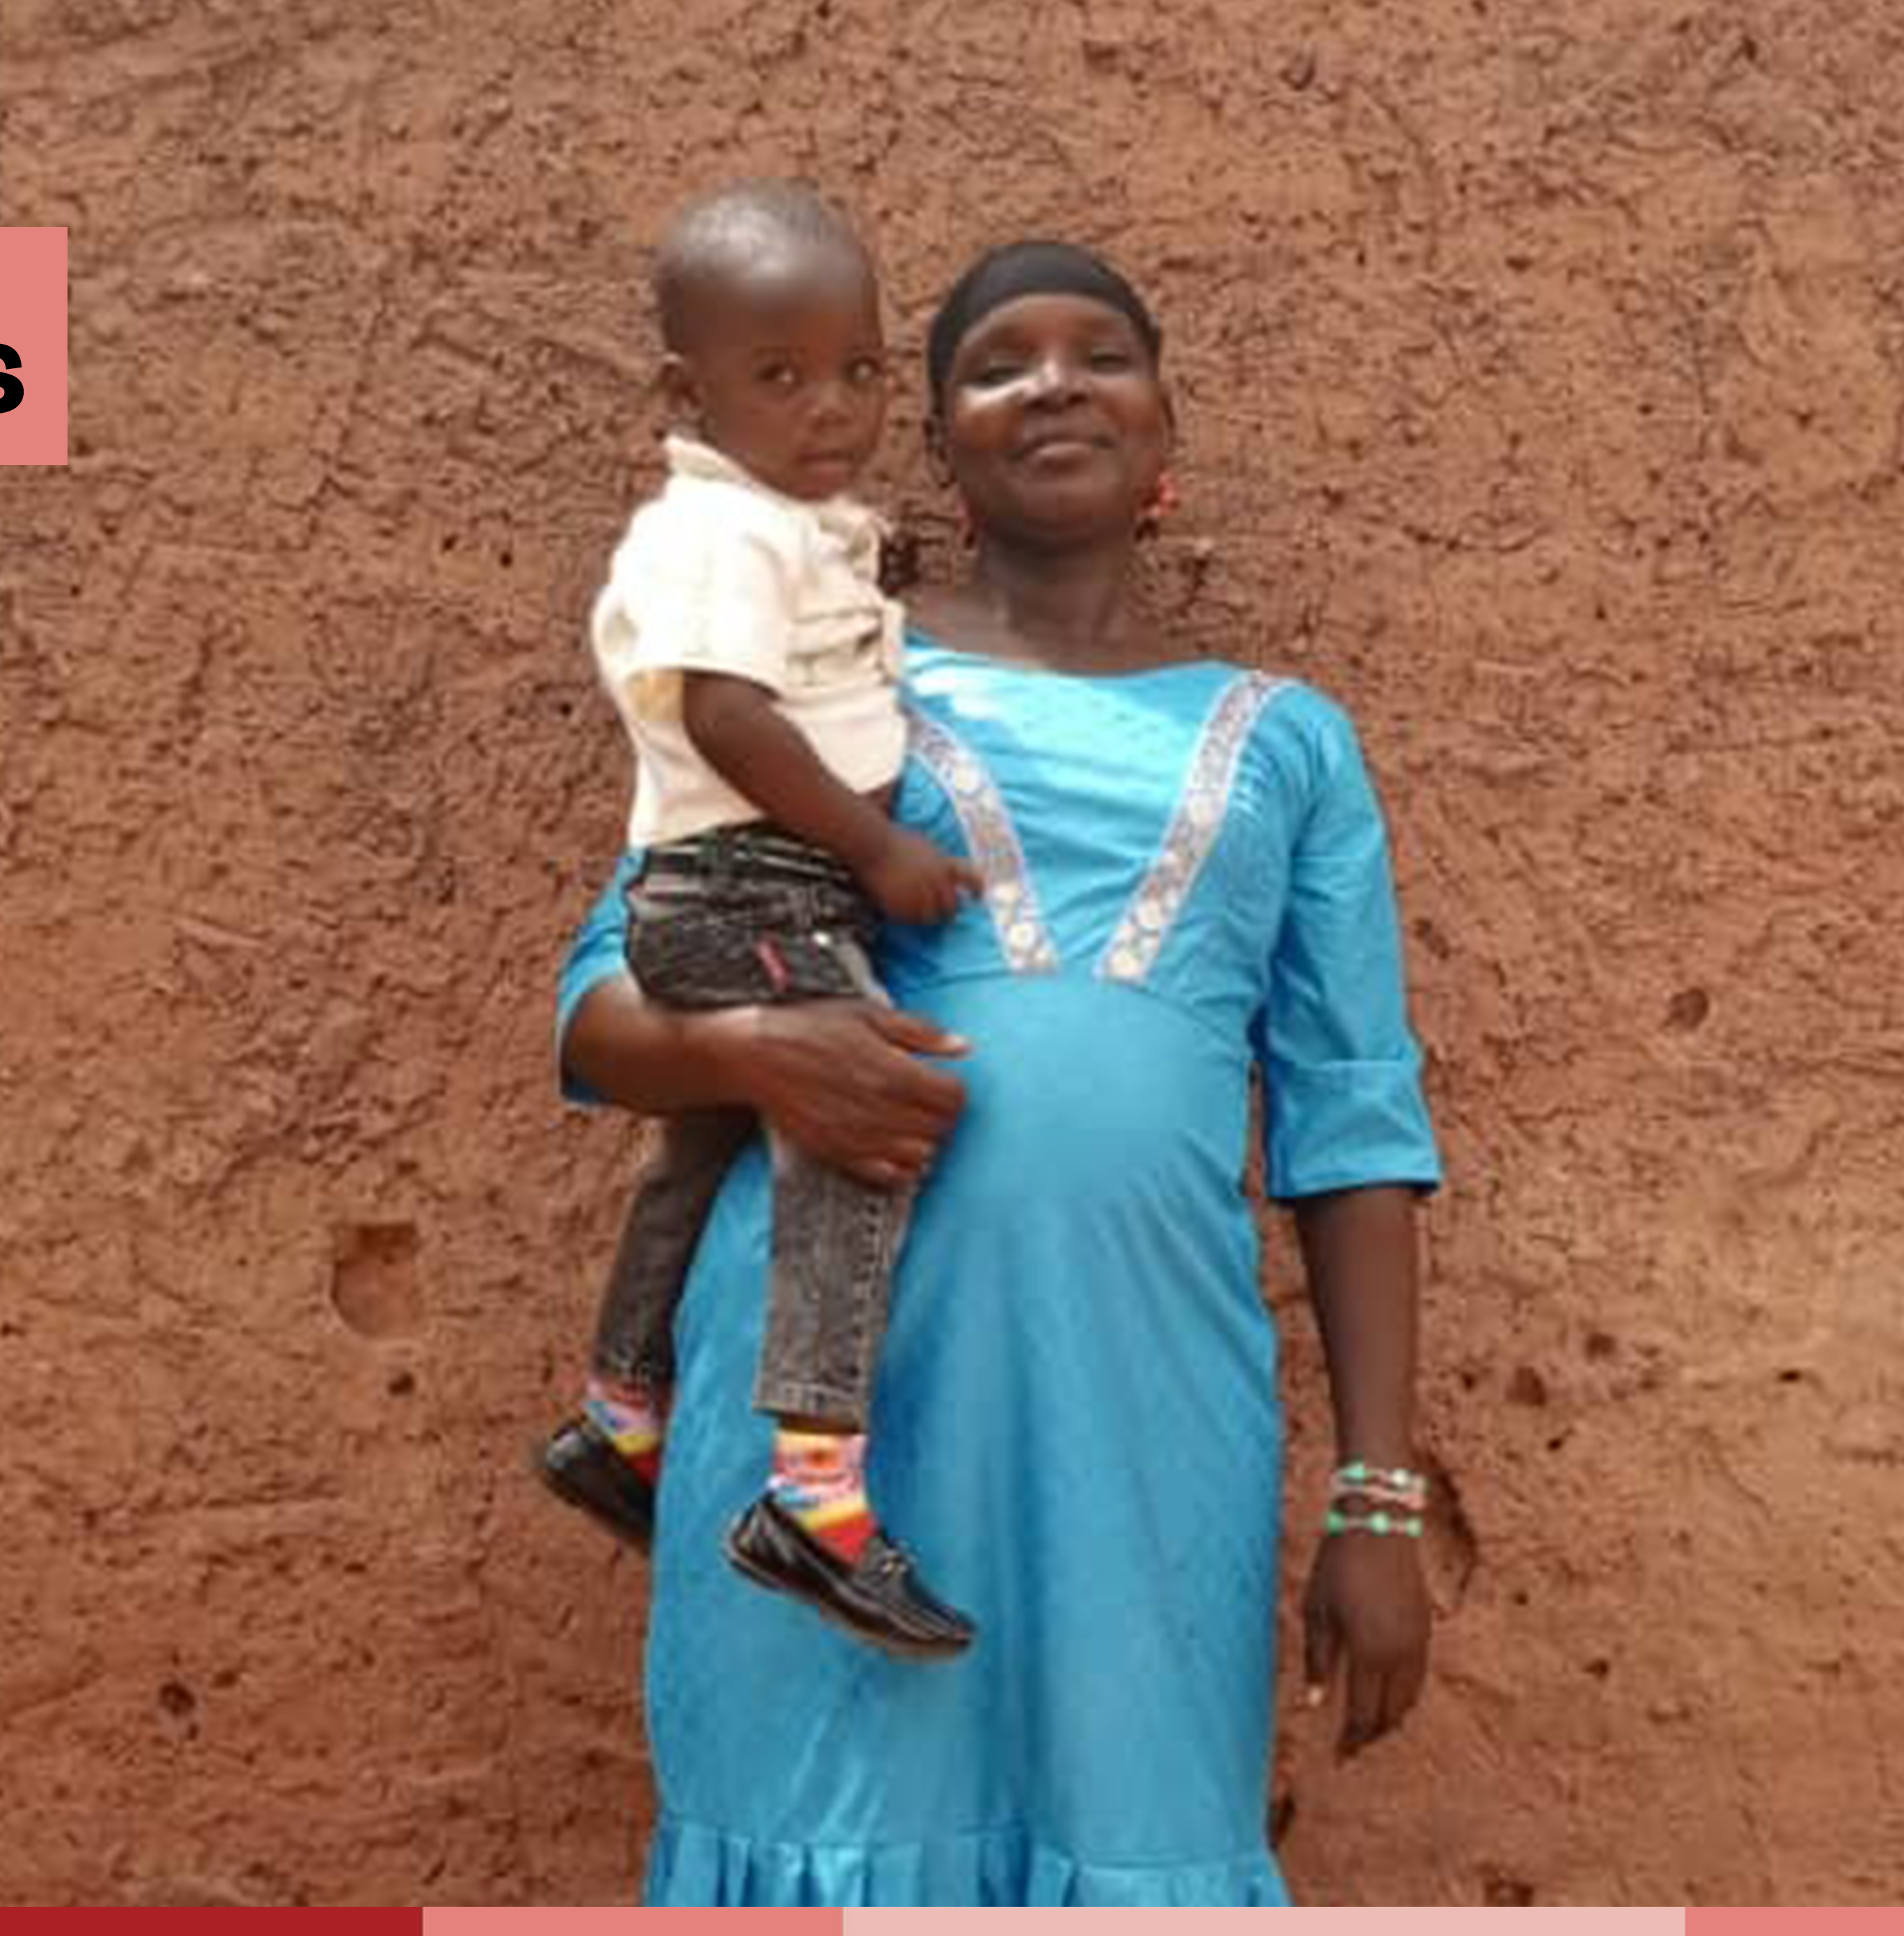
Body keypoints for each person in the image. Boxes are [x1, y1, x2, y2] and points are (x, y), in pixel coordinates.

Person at [551, 238, 1445, 1905]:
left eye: (1101, 353)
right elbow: (600, 1009)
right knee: (827, 1833)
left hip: (1153, 1409)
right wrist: (763, 1056)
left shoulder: (1292, 739)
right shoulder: (824, 686)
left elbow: (1352, 1121)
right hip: (836, 1432)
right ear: (939, 444)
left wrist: (1379, 1492)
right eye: (995, 363)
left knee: (1134, 1822)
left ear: (1164, 422)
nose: (1053, 384)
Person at [537, 180, 988, 1660]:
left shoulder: (786, 525)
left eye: (860, 370)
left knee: (705, 1144)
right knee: (859, 1127)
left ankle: (619, 1415)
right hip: (759, 882)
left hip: (736, 889)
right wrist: (877, 846)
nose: (834, 408)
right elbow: (730, 713)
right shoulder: (714, 532)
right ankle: (814, 1494)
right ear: (687, 394)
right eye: (780, 377)